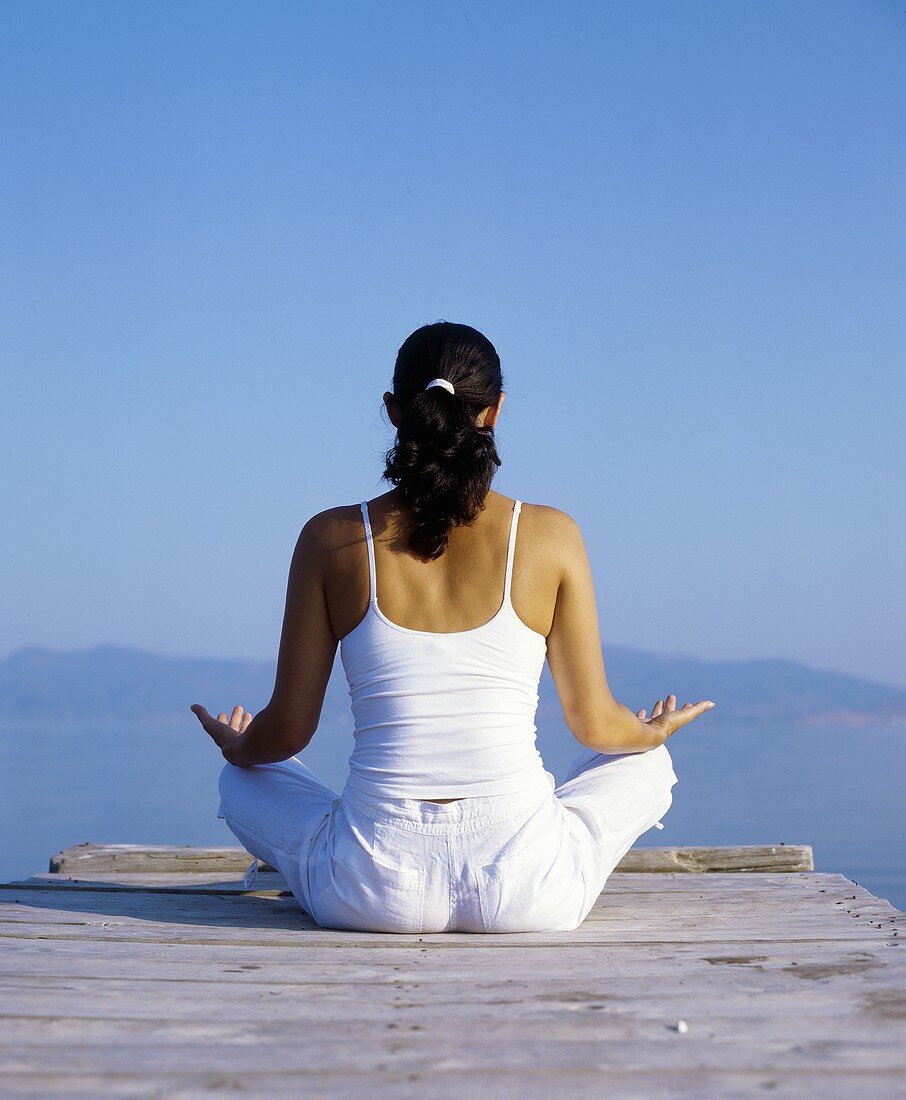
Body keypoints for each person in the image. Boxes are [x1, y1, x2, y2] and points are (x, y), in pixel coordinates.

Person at [191, 321, 715, 933]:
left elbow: (287, 733)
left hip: (371, 887)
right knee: (648, 766)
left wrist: (240, 749)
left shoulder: (330, 539)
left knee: (243, 781)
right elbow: (594, 725)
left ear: (394, 412)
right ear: (494, 410)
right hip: (524, 886)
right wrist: (653, 732)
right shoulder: (550, 536)